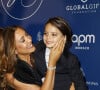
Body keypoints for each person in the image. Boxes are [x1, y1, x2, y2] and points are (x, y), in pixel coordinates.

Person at [2, 25, 66, 90]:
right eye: (23, 40)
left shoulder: (38, 52)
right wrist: (52, 62)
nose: (29, 39)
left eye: (26, 34)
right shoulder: (17, 73)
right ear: (14, 50)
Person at [34, 17, 88, 90]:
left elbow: (80, 84)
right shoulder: (36, 51)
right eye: (45, 33)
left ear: (64, 38)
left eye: (54, 34)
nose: (48, 37)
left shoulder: (70, 59)